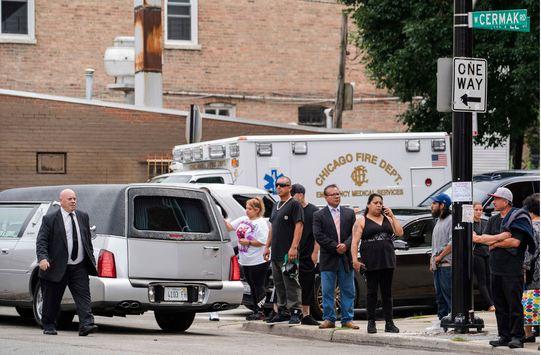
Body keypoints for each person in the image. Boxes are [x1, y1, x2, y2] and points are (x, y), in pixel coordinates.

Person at [474, 187, 535, 349]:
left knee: (514, 304)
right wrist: (499, 238)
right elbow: (485, 240)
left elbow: (515, 243)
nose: (493, 201)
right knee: (499, 305)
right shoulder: (493, 220)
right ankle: (504, 335)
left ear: (505, 201)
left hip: (512, 269)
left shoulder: (517, 218)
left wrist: (492, 242)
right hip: (495, 268)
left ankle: (517, 336)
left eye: (496, 199)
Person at [36, 189, 98, 336]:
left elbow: (87, 241)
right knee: (52, 298)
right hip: (57, 266)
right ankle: (49, 325)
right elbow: (42, 241)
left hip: (79, 266)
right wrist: (43, 258)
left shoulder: (83, 216)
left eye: (75, 199)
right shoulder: (49, 219)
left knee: (83, 296)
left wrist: (92, 261)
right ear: (61, 201)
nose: (73, 201)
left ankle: (86, 324)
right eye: (69, 199)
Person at [352, 193, 403, 333]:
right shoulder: (362, 220)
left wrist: (392, 216)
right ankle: (371, 322)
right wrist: (355, 260)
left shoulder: (387, 218)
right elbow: (355, 242)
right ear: (369, 204)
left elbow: (399, 232)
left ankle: (389, 322)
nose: (379, 205)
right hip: (371, 260)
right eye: (376, 203)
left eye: (381, 203)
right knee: (372, 292)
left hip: (387, 259)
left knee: (387, 293)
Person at [313, 184, 358, 330]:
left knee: (348, 289)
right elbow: (318, 235)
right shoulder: (319, 215)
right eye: (333, 194)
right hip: (328, 257)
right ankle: (329, 318)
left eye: (338, 193)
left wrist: (345, 245)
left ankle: (347, 319)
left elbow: (355, 233)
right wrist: (335, 246)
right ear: (326, 197)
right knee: (327, 290)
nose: (336, 196)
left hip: (345, 258)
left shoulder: (349, 213)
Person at [264, 176, 304, 324]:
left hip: (289, 254)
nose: (279, 187)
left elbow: (299, 226)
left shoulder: (294, 204)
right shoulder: (276, 205)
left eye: (283, 185)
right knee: (279, 282)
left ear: (289, 187)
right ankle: (282, 311)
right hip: (276, 252)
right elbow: (272, 228)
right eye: (277, 185)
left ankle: (295, 311)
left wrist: (294, 247)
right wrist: (267, 246)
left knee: (291, 282)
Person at [225, 197, 270, 321]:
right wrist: (219, 216)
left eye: (249, 208)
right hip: (245, 259)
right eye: (246, 208)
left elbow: (263, 241)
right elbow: (229, 227)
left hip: (258, 260)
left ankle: (260, 310)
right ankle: (255, 309)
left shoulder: (260, 223)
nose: (247, 211)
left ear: (257, 210)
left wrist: (248, 242)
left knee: (258, 285)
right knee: (251, 285)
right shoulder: (243, 219)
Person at [291, 183, 320, 326]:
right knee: (290, 283)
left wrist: (315, 252)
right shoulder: (290, 209)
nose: (291, 198)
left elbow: (317, 235)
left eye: (293, 195)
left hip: (307, 254)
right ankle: (291, 312)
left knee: (307, 284)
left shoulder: (313, 211)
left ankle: (306, 314)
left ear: (300, 195)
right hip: (291, 254)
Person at [429, 193, 453, 323]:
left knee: (448, 296)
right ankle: (442, 322)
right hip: (437, 265)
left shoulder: (451, 220)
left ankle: (452, 321)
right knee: (439, 298)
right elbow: (436, 243)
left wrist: (440, 257)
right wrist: (433, 258)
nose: (431, 206)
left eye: (434, 203)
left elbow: (452, 243)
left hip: (446, 265)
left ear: (442, 205)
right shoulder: (438, 220)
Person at [522, 193, 539, 343]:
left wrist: (524, 268)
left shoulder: (532, 228)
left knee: (530, 300)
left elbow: (531, 250)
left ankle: (528, 333)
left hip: (534, 270)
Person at [472, 201, 495, 311]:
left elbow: (490, 238)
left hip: (487, 252)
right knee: (482, 280)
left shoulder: (485, 222)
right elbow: (474, 239)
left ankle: (493, 302)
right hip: (476, 253)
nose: (479, 212)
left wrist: (482, 239)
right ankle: (489, 304)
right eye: (476, 210)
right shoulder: (470, 224)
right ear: (472, 210)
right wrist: (484, 239)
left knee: (489, 278)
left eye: (480, 210)